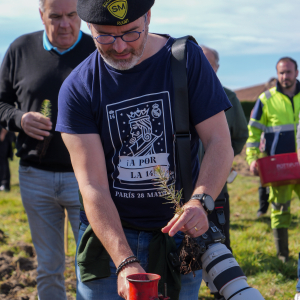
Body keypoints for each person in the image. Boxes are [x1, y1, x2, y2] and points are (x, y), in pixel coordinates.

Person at [56, 1, 234, 299]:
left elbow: (219, 143)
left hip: (179, 238)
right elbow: (92, 185)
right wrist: (125, 261)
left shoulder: (185, 60)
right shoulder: (78, 88)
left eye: (130, 33)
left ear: (148, 16)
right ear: (89, 28)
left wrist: (200, 202)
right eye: (105, 36)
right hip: (109, 242)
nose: (120, 46)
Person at [0, 0, 95, 298]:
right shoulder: (20, 49)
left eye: (71, 15)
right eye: (55, 16)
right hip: (35, 177)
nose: (64, 24)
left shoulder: (98, 50)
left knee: (91, 267)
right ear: (41, 15)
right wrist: (19, 119)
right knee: (49, 265)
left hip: (89, 179)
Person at [246, 57, 300, 263]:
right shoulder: (266, 99)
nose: (285, 76)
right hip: (279, 167)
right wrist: (252, 158)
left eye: (288, 72)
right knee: (279, 210)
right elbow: (253, 133)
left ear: (297, 72)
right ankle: (283, 256)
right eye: (281, 73)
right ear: (277, 74)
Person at [201, 46, 248, 255]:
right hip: (181, 185)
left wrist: (220, 159)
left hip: (216, 187)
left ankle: (221, 285)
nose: (201, 68)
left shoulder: (228, 97)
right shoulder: (176, 96)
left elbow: (239, 135)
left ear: (217, 68)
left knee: (218, 238)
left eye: (207, 63)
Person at [0, 126, 15, 191]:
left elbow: (6, 117)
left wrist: (3, 133)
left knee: (2, 161)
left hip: (4, 136)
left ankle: (5, 184)